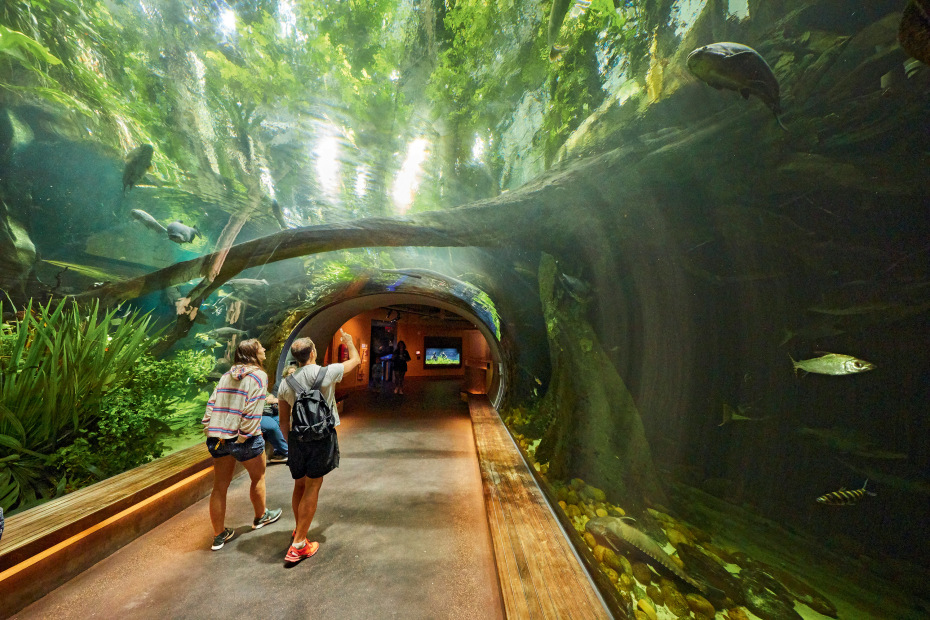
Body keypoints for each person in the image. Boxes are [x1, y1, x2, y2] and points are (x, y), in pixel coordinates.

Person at [278, 329, 360, 564]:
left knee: (299, 485)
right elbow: (355, 361)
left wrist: (290, 443)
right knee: (313, 487)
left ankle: (299, 529)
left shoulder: (286, 383)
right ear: (313, 353)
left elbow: (284, 421)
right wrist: (350, 342)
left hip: (297, 438)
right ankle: (299, 545)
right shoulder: (328, 372)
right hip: (321, 438)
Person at [202, 339, 283, 551]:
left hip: (218, 437)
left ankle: (219, 535)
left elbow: (211, 403)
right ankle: (260, 517)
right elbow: (252, 408)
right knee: (258, 477)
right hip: (244, 438)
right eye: (261, 347)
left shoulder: (225, 376)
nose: (264, 349)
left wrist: (209, 428)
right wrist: (244, 435)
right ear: (253, 354)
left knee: (220, 486)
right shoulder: (259, 375)